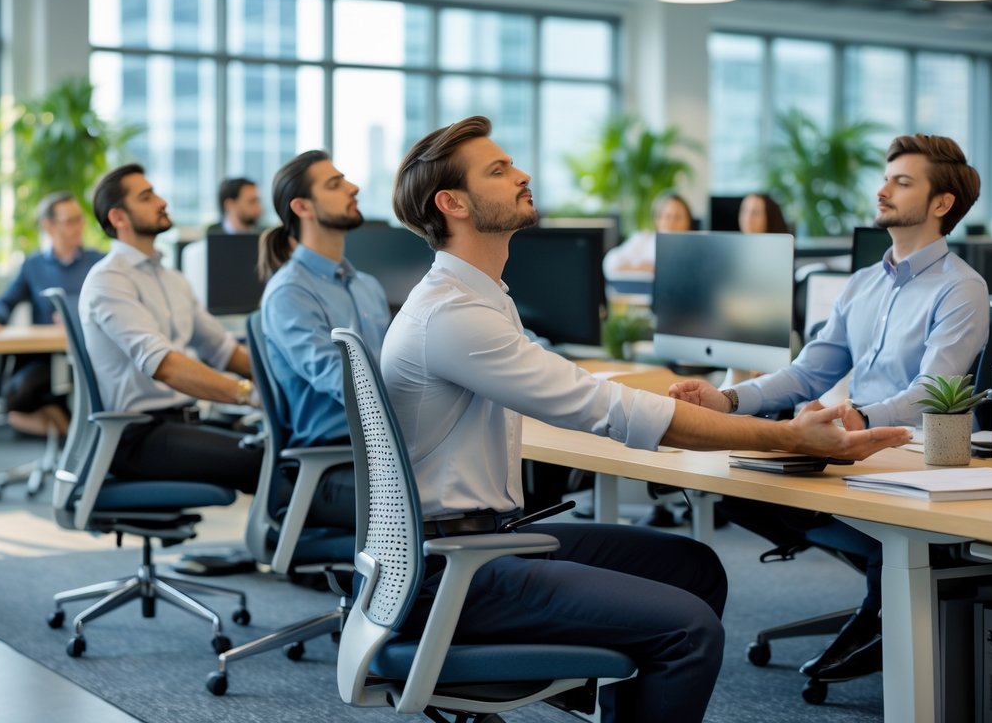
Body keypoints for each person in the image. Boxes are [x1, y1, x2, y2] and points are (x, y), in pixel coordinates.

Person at [380, 116, 910, 723]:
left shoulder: (480, 299)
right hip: (454, 572)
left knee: (693, 569)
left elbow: (580, 394)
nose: (522, 174)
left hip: (476, 543)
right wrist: (788, 435)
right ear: (454, 204)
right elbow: (611, 410)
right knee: (689, 631)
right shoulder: (453, 315)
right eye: (498, 171)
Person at [670, 133, 988, 684]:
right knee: (734, 476)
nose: (883, 189)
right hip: (853, 448)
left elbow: (933, 390)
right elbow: (807, 371)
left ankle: (888, 605)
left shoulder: (961, 289)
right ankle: (882, 592)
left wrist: (858, 418)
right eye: (886, 178)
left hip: (917, 455)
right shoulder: (861, 284)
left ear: (941, 204)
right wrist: (727, 400)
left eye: (902, 181)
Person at [79, 163, 262, 492]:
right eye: (146, 197)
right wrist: (247, 394)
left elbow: (221, 349)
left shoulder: (172, 279)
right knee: (266, 459)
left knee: (282, 444)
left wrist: (281, 379)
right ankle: (287, 540)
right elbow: (164, 366)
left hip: (182, 423)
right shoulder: (109, 279)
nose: (161, 201)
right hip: (137, 435)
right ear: (118, 218)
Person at [259, 150, 391, 530]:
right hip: (332, 464)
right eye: (335, 184)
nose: (353, 187)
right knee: (453, 499)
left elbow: (393, 365)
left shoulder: (367, 286)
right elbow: (342, 381)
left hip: (382, 453)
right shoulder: (290, 292)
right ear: (302, 206)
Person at [0, 191, 102, 438]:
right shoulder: (33, 266)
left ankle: (73, 442)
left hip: (89, 354)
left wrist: (75, 315)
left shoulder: (98, 264)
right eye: (70, 221)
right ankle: (70, 439)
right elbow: (5, 302)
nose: (78, 226)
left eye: (80, 219)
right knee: (18, 394)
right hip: (43, 360)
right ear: (49, 226)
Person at [601, 191, 693, 278]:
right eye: (667, 216)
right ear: (657, 219)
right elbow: (610, 263)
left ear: (688, 221)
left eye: (677, 217)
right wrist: (644, 268)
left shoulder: (693, 249)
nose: (671, 222)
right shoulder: (642, 240)